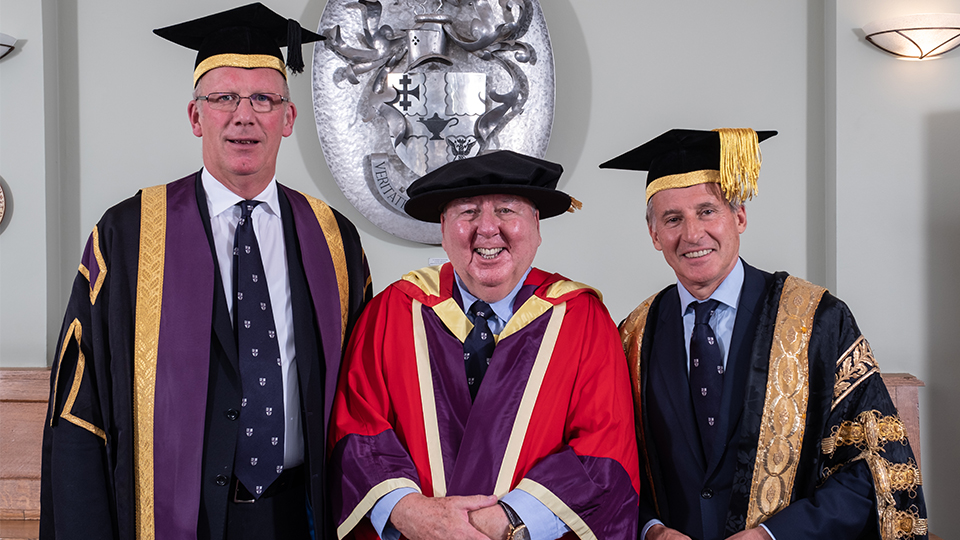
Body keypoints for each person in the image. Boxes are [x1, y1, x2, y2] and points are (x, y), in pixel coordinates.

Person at [40, 4, 371, 539]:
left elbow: (364, 397)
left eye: (264, 98)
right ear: (196, 116)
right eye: (223, 98)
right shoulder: (128, 238)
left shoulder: (333, 240)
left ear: (287, 119)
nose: (245, 115)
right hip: (177, 519)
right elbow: (81, 414)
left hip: (302, 513)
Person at [600, 128, 927, 540]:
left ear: (739, 217)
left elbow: (871, 468)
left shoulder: (817, 320)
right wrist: (650, 529)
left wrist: (774, 535)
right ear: (653, 235)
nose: (692, 234)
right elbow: (612, 463)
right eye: (672, 219)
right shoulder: (634, 335)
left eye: (706, 211)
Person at [329, 150, 640, 540]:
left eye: (507, 210)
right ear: (442, 227)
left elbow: (604, 448)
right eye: (468, 212)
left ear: (536, 225)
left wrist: (508, 521)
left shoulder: (580, 319)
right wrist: (411, 512)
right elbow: (357, 428)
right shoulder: (395, 310)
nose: (488, 229)